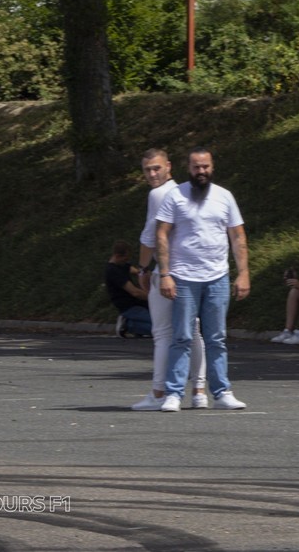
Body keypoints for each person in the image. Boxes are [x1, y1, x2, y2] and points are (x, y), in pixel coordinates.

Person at [154, 147, 250, 412]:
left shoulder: (224, 197)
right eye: (196, 167)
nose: (201, 172)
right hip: (183, 277)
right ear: (188, 167)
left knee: (216, 338)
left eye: (205, 166)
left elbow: (238, 236)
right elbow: (161, 234)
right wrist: (165, 274)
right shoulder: (176, 196)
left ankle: (222, 392)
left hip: (217, 276)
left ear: (212, 166)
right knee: (182, 336)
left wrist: (243, 273)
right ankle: (174, 393)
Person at [129, 149, 205, 412]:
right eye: (147, 170)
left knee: (162, 333)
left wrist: (142, 269)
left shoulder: (158, 195)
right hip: (191, 271)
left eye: (156, 168)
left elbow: (149, 237)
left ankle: (158, 392)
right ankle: (199, 391)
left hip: (167, 272)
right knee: (193, 331)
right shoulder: (186, 191)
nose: (151, 175)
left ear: (169, 166)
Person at [104, 240, 151, 338]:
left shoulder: (123, 265)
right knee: (158, 328)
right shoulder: (113, 271)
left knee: (160, 322)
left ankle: (137, 326)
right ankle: (128, 325)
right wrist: (154, 298)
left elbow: (138, 272)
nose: (127, 260)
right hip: (128, 307)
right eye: (125, 258)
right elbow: (135, 292)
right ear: (117, 256)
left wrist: (146, 274)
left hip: (138, 304)